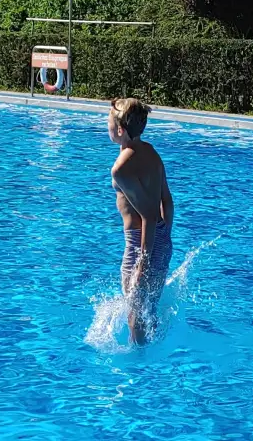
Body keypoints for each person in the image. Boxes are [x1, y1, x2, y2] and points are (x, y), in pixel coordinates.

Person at [109, 97, 173, 346]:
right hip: (161, 238)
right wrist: (165, 235)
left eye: (109, 122)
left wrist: (142, 265)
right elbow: (167, 201)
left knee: (135, 311)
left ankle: (139, 368)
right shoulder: (150, 152)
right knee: (148, 307)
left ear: (120, 130)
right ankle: (152, 351)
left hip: (140, 243)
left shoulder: (121, 169)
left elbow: (146, 214)